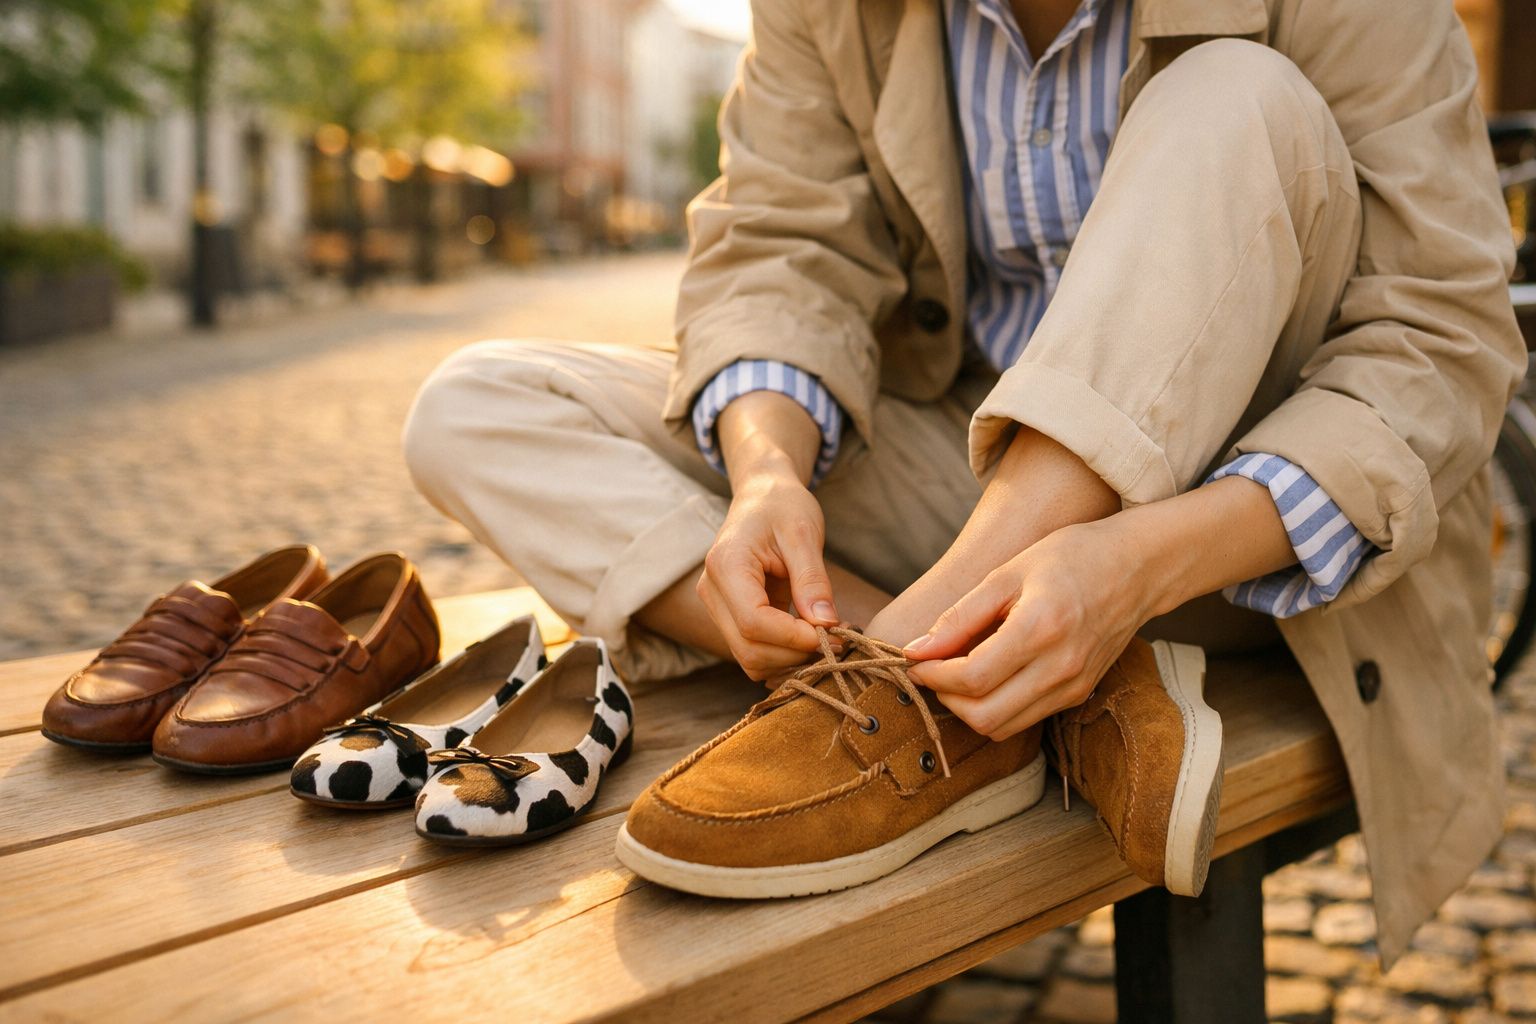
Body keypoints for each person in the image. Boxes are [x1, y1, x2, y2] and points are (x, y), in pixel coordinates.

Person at [403, 0, 1522, 963]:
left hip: (1238, 535)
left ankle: (920, 677)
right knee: (477, 403)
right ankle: (948, 679)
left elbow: (1440, 338)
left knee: (1234, 92)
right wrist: (765, 473)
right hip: (968, 470)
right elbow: (779, 244)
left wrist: (1132, 562)